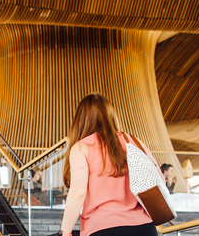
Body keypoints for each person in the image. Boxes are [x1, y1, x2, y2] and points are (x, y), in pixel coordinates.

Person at [52, 93, 160, 236]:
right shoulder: (132, 140)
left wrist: (64, 232)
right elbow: (158, 177)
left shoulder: (81, 148)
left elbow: (78, 193)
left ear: (81, 119)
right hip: (144, 227)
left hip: (103, 228)